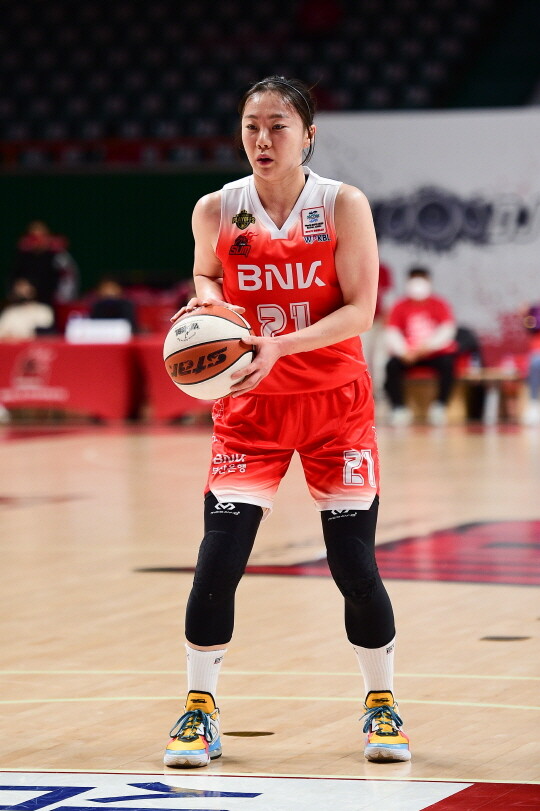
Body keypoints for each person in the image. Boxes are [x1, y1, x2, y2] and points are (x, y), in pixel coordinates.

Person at [163, 76, 410, 768]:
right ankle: (199, 708)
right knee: (218, 562)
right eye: (251, 126)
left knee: (353, 564)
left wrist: (279, 344)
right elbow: (207, 275)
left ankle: (382, 703)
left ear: (308, 135)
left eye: (278, 125)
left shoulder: (341, 205)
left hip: (335, 407)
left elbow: (360, 311)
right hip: (251, 409)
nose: (262, 139)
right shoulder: (217, 208)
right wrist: (207, 304)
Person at [384, 267, 457, 426]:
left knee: (448, 364)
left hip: (433, 354)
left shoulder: (439, 304)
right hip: (408, 355)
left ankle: (440, 406)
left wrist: (427, 347)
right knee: (391, 366)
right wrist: (404, 352)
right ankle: (398, 408)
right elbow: (392, 332)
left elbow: (447, 330)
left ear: (429, 282)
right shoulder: (400, 305)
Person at [12, 220, 79, 305]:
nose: (37, 241)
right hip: (26, 303)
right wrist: (17, 289)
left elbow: (68, 278)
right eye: (33, 237)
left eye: (41, 236)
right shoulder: (24, 256)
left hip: (52, 303)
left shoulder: (58, 255)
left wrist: (62, 301)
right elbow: (14, 278)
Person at [360, 261, 393, 400]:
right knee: (363, 357)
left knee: (380, 359)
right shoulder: (356, 265)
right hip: (361, 321)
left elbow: (388, 294)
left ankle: (379, 391)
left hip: (379, 321)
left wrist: (388, 315)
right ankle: (364, 393)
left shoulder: (382, 269)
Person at [522, 303, 540, 426]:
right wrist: (525, 314)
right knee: (535, 363)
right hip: (536, 355)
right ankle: (533, 404)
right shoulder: (535, 311)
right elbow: (529, 325)